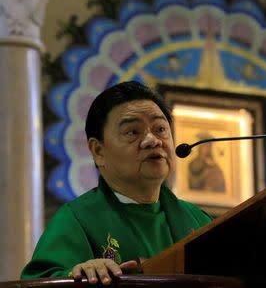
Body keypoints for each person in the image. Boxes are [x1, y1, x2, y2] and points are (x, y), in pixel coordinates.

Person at [21, 81, 212, 284]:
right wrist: (79, 275)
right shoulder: (76, 219)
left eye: (160, 129)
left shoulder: (198, 220)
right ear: (98, 151)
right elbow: (39, 282)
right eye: (132, 132)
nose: (152, 140)